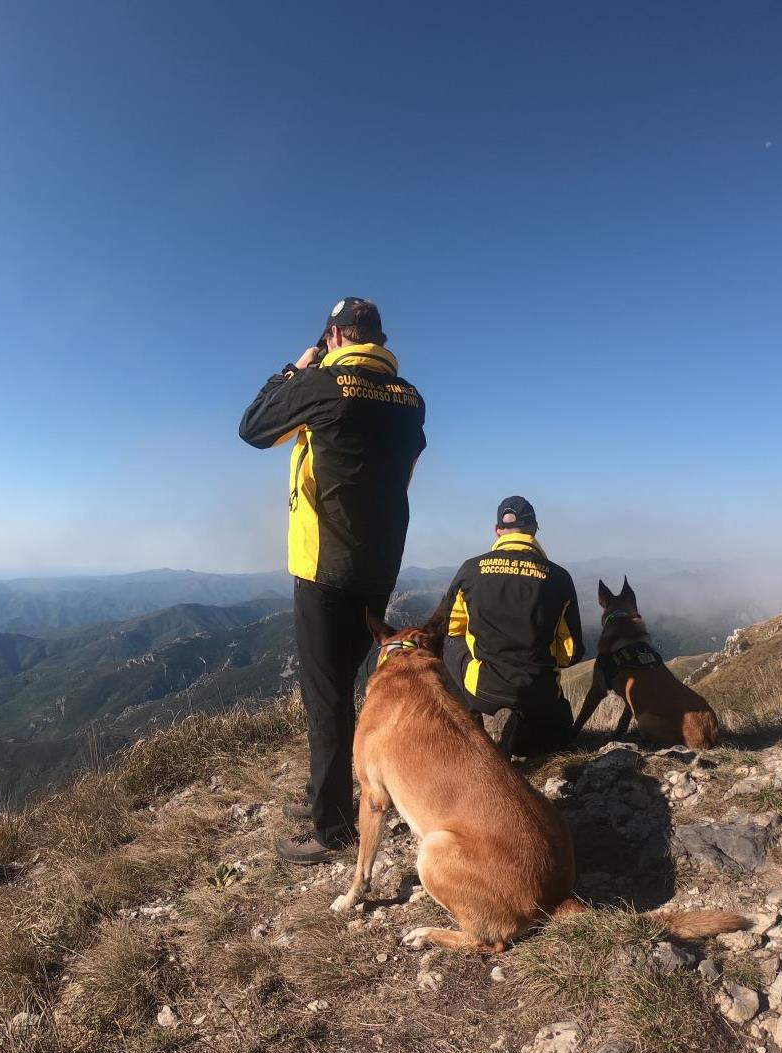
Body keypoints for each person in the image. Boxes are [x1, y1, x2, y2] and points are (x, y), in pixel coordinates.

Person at [239, 297, 426, 864]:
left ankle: (333, 827)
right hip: (380, 563)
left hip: (324, 564)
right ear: (379, 338)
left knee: (327, 698)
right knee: (350, 685)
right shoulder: (411, 398)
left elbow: (253, 428)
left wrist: (295, 368)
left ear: (337, 336)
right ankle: (338, 796)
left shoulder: (324, 383)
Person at [445, 496, 583, 755]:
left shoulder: (470, 570)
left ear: (497, 530)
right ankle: (526, 731)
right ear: (534, 528)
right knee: (555, 736)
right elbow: (571, 652)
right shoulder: (559, 578)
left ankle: (469, 723)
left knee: (448, 642)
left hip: (483, 690)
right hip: (539, 695)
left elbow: (450, 628)